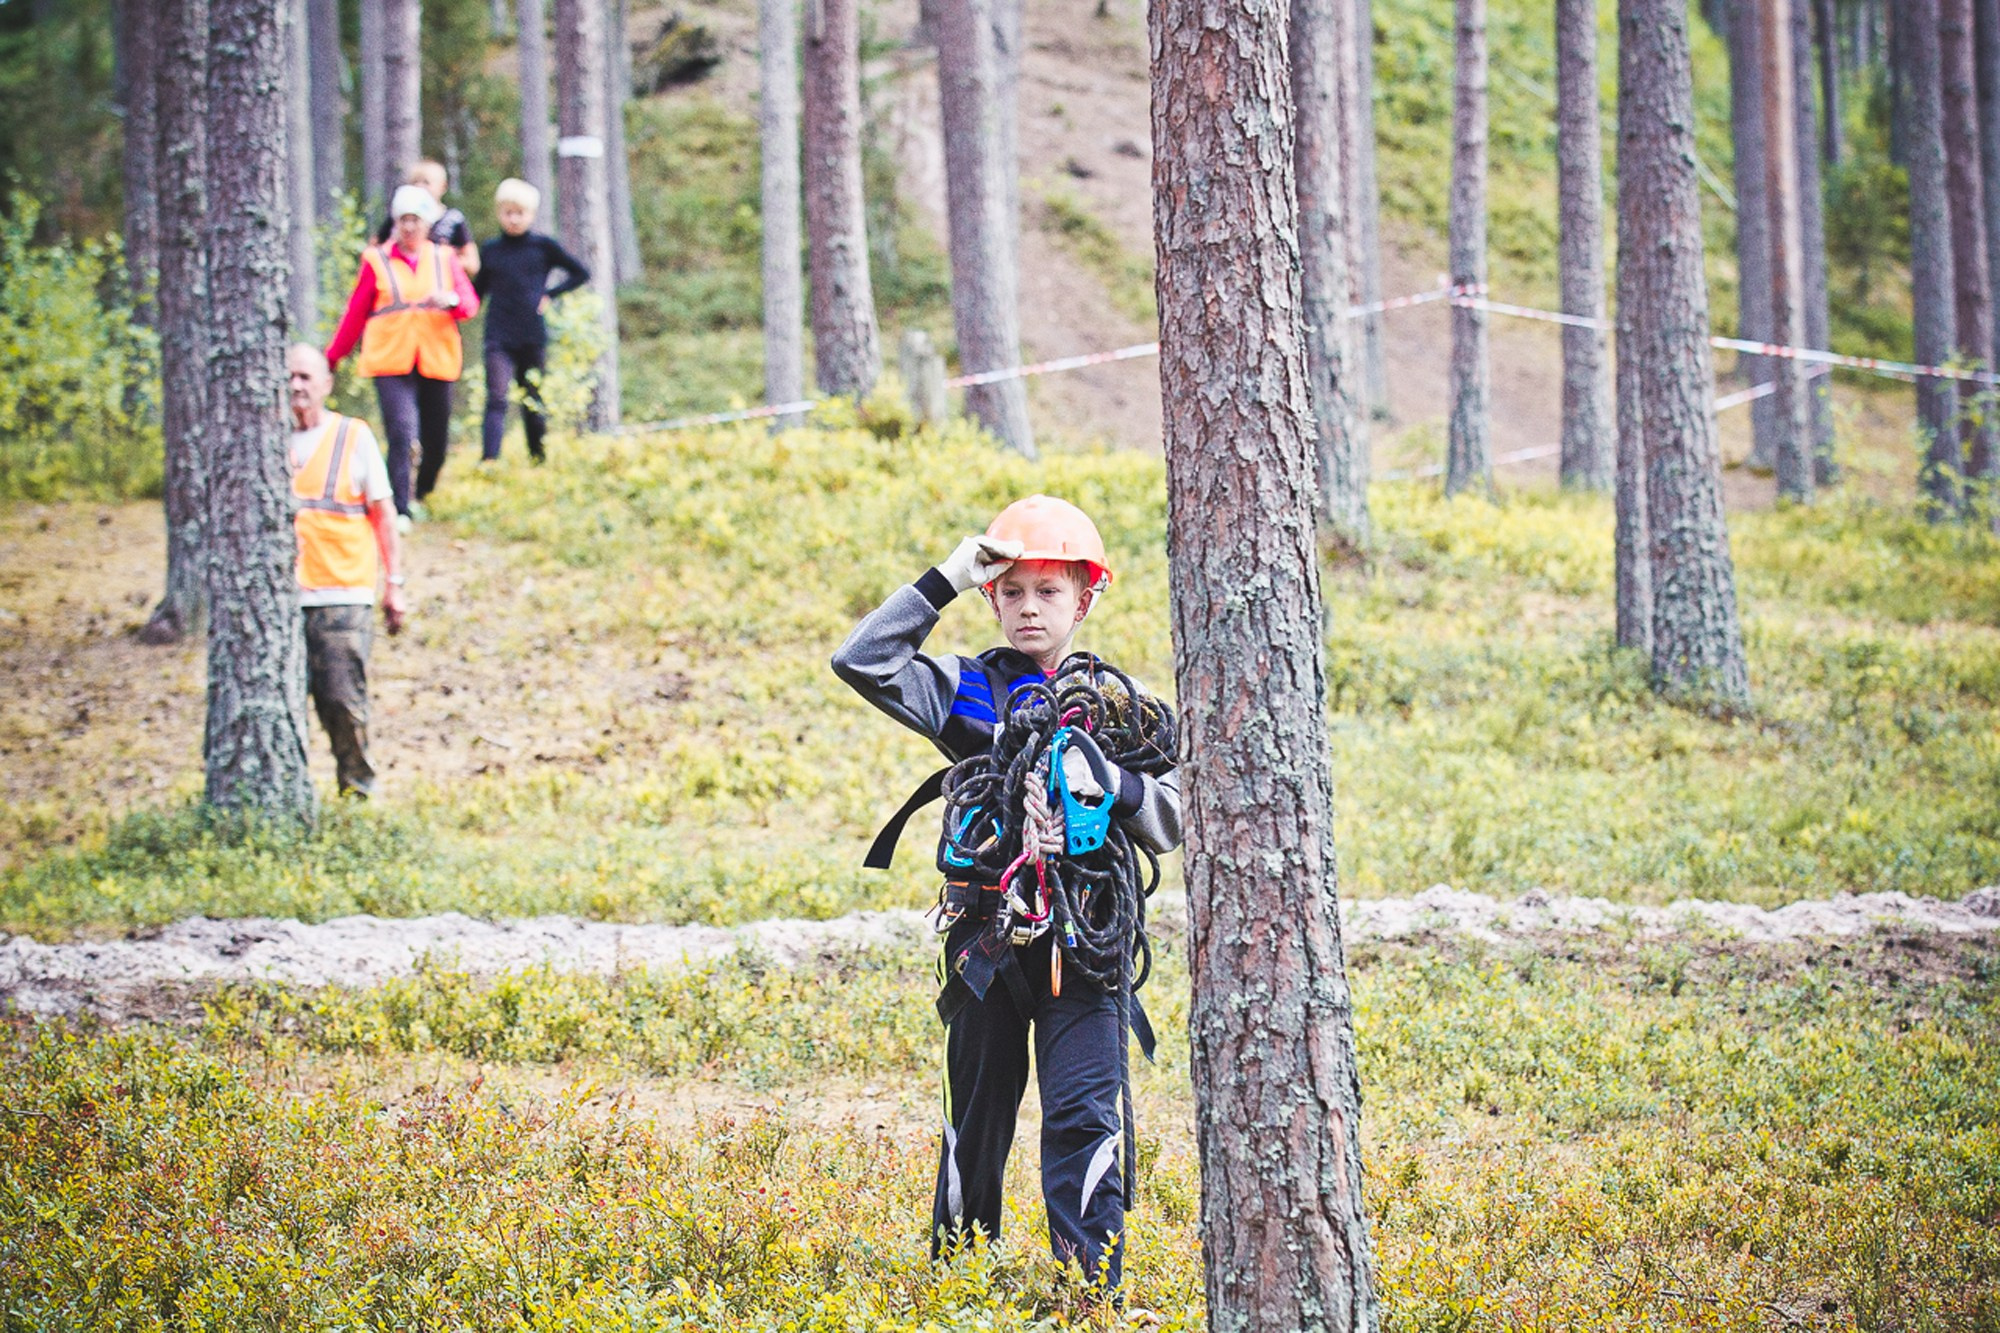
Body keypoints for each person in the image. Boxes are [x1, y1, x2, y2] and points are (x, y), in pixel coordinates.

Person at [831, 496, 1182, 1293]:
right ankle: (959, 1289)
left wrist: (1115, 784)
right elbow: (862, 661)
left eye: (1049, 591)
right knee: (975, 1124)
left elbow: (1178, 818)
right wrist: (947, 577)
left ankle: (1091, 1295)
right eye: (1012, 590)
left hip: (1085, 945)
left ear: (1084, 599)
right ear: (993, 596)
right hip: (984, 943)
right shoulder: (965, 690)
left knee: (1086, 1118)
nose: (1029, 607)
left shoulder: (1117, 709)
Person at [286, 343, 407, 797]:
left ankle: (358, 795)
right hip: (282, 598)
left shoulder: (353, 437)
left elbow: (384, 514)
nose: (296, 385)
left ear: (326, 384)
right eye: (290, 376)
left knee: (342, 701)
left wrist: (394, 584)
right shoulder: (266, 439)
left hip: (343, 596)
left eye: (306, 377)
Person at [326, 184, 479, 528]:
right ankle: (400, 507)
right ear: (395, 223)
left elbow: (469, 303)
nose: (410, 227)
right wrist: (331, 358)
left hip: (435, 357)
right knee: (401, 432)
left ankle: (422, 491)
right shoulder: (376, 260)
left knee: (436, 442)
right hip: (390, 359)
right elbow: (354, 314)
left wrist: (451, 301)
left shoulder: (444, 258)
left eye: (416, 220)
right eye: (403, 220)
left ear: (427, 224)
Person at [473, 178, 591, 464]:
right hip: (498, 335)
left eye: (519, 213)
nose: (513, 219)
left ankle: (538, 458)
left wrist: (550, 294)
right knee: (497, 397)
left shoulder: (543, 247)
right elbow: (477, 292)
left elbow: (580, 272)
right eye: (507, 212)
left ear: (531, 214)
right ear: (499, 213)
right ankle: (490, 461)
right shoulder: (490, 250)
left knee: (533, 397)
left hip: (531, 334)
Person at [373, 159, 481, 279]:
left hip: (442, 284)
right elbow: (374, 251)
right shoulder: (399, 217)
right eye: (415, 182)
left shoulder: (453, 219)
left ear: (443, 186)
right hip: (404, 282)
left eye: (426, 182)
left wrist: (441, 261)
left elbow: (472, 264)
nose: (420, 186)